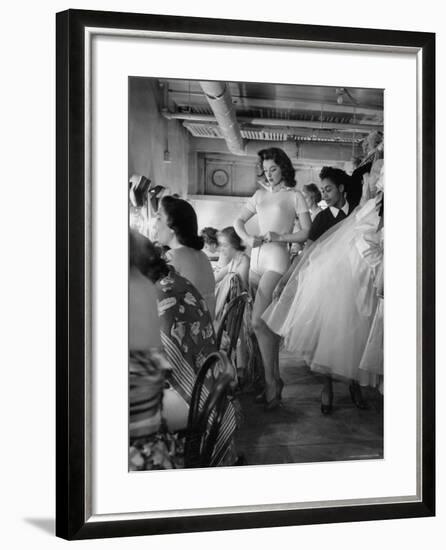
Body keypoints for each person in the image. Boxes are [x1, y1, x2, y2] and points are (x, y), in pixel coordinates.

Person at [263, 157, 384, 415]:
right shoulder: (320, 220)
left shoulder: (358, 212)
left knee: (353, 337)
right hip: (325, 287)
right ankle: (327, 388)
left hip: (355, 284)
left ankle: (354, 386)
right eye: (323, 189)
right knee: (324, 338)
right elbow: (307, 254)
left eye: (328, 189)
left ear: (341, 188)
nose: (325, 195)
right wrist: (286, 280)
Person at [234, 147, 311, 410]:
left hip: (277, 260)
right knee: (265, 327)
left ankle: (270, 383)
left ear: (284, 168)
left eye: (273, 169)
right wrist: (247, 238)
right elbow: (238, 222)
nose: (269, 174)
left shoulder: (295, 196)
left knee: (258, 322)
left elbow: (306, 232)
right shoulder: (258, 195)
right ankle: (274, 381)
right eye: (265, 170)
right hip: (255, 260)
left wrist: (280, 237)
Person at [128, 230, 177, 470]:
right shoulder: (146, 287)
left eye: (160, 216)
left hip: (140, 454)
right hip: (154, 439)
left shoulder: (133, 288)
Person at [155, 195, 216, 318]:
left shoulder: (173, 257)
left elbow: (154, 299)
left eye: (159, 218)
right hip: (206, 331)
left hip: (188, 333)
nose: (154, 225)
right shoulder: (202, 256)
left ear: (172, 225)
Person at [214, 226, 250, 319]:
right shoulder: (233, 261)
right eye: (220, 245)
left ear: (234, 244)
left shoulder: (244, 261)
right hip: (234, 307)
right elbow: (217, 278)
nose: (221, 249)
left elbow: (241, 290)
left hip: (243, 311)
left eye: (225, 245)